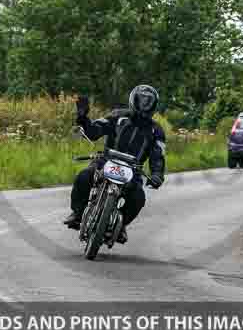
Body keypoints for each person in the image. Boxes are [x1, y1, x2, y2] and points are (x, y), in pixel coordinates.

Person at [63, 85, 166, 243]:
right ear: (134, 100)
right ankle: (77, 213)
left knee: (138, 197)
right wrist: (83, 117)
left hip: (133, 170)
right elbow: (94, 131)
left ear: (154, 104)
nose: (145, 104)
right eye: (142, 100)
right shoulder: (117, 116)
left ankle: (121, 225)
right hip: (105, 161)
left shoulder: (156, 130)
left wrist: (157, 174)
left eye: (149, 102)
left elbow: (158, 155)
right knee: (84, 177)